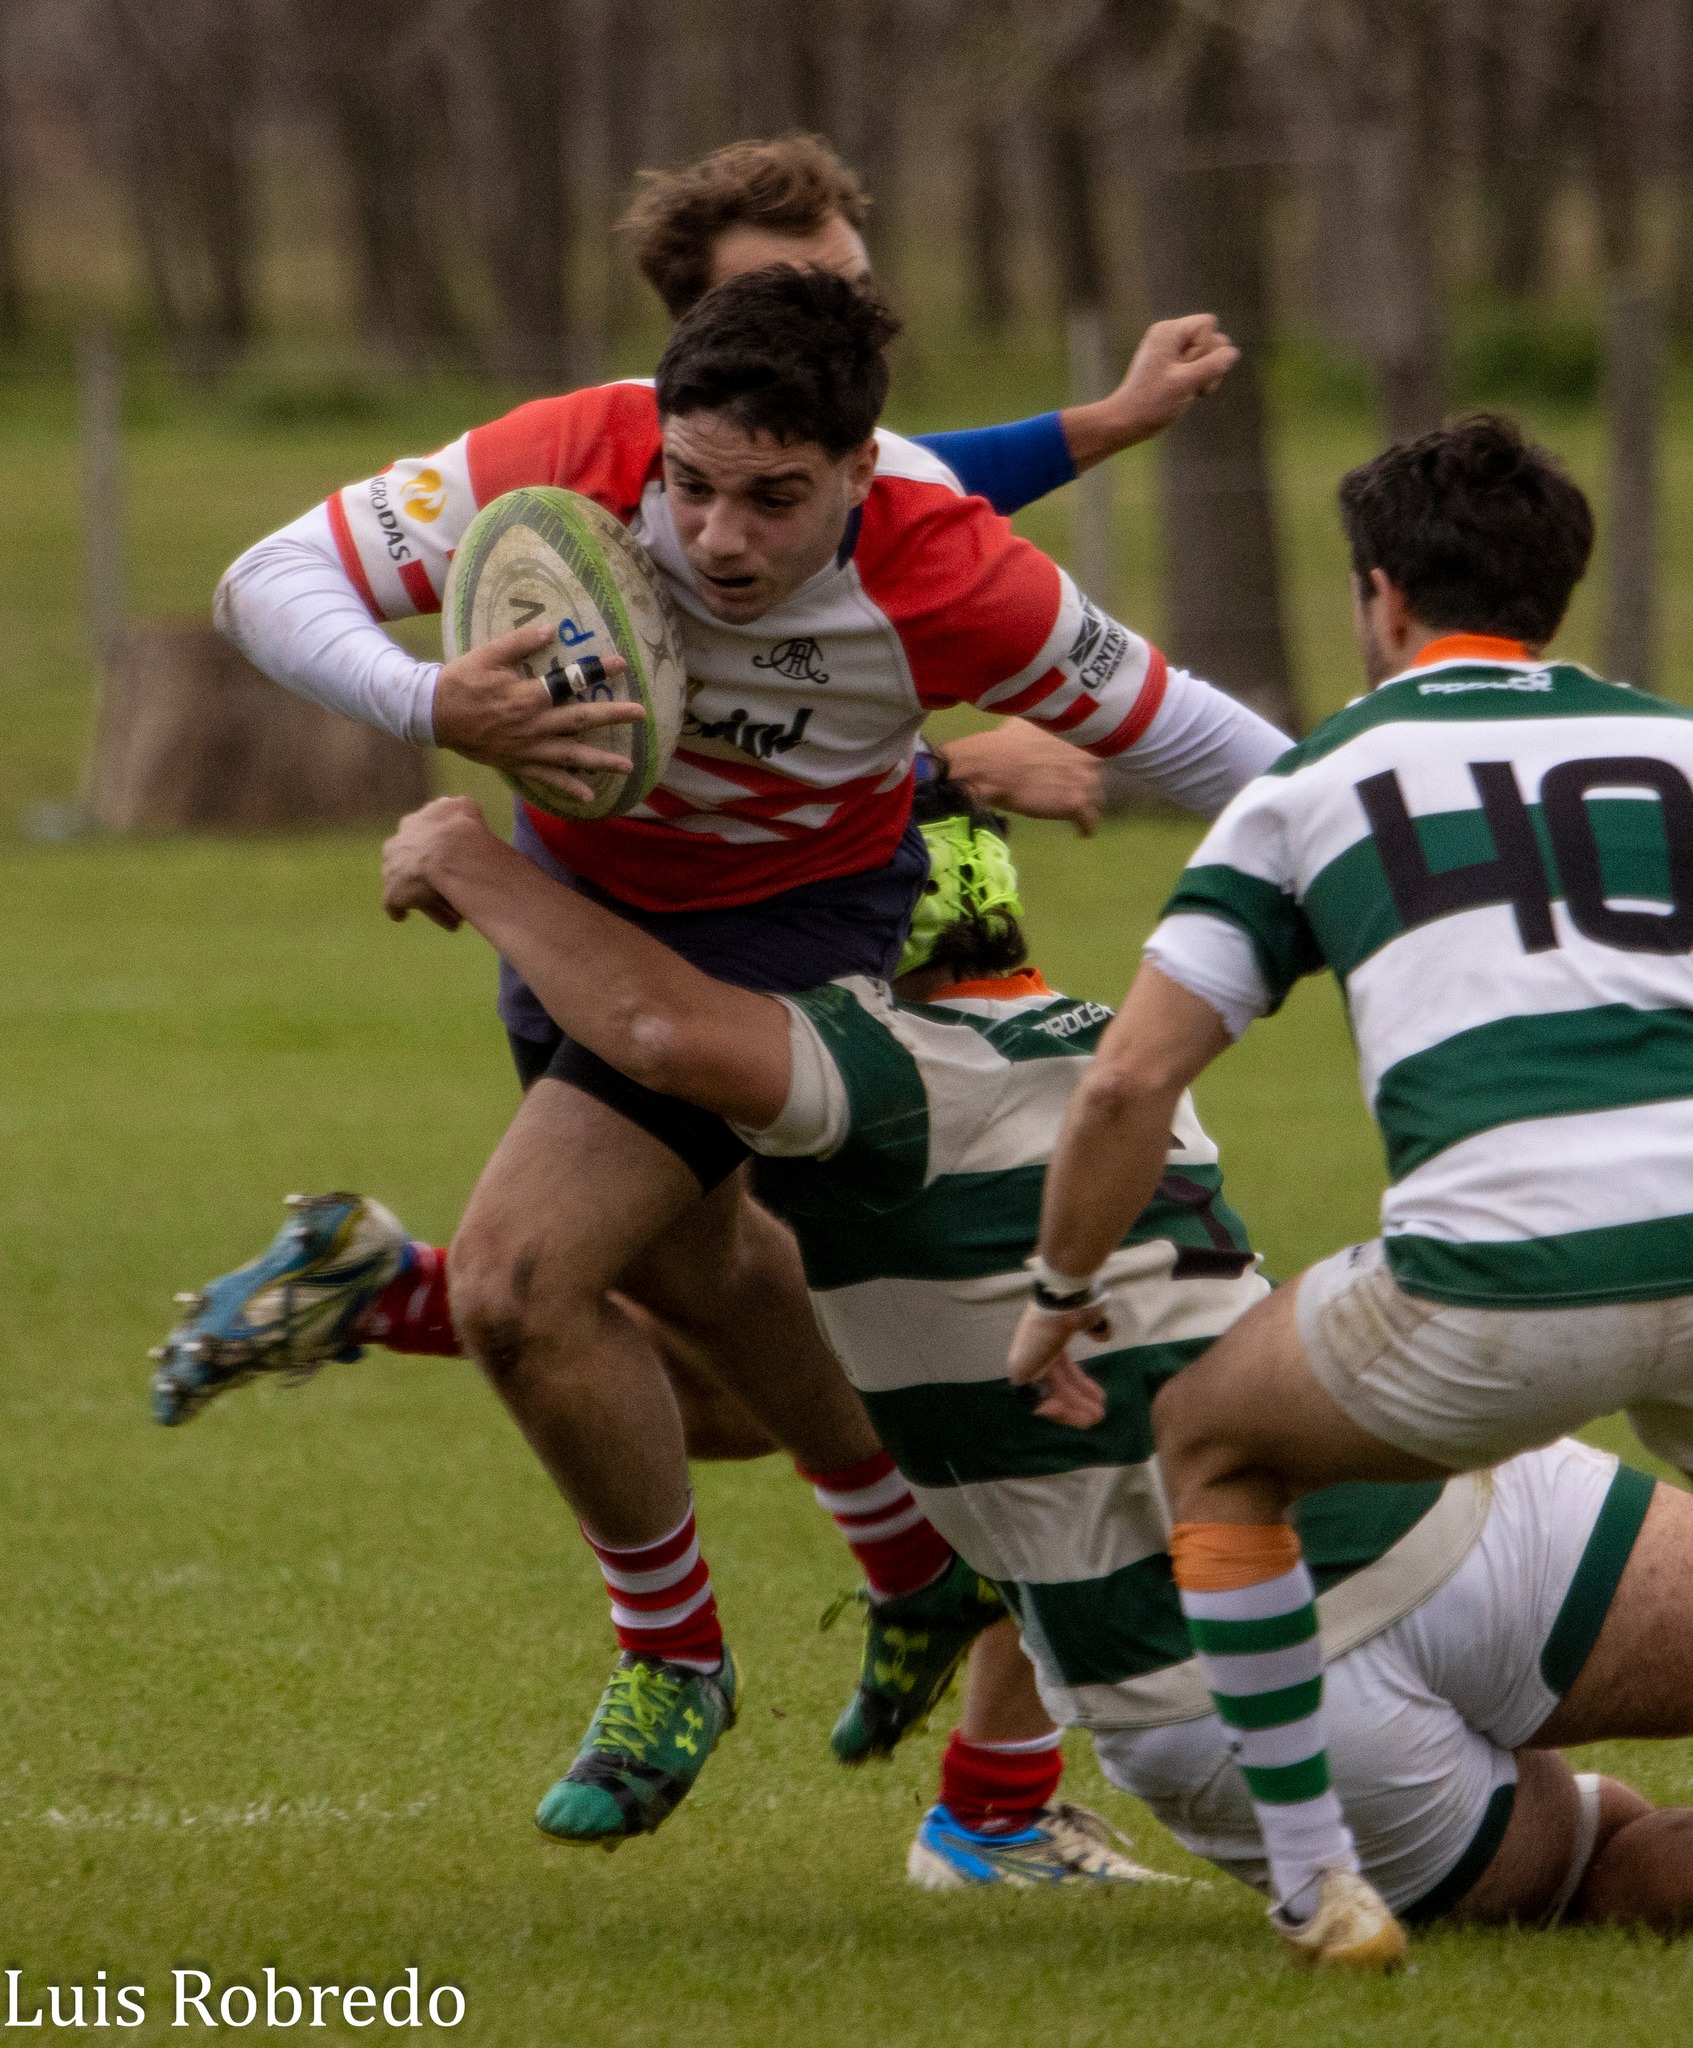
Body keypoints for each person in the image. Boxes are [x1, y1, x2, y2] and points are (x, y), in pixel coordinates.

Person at [201, 262, 1284, 1853]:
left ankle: (673, 1658)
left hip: (795, 927)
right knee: (704, 1270)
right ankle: (916, 1571)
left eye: (773, 502)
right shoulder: (569, 452)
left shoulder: (955, 574)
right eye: (693, 489)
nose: (716, 539)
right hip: (575, 902)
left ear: (861, 470)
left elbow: (1209, 742)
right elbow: (267, 577)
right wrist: (429, 693)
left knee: (519, 1282)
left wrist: (1401, 840)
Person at [377, 774, 1693, 1959]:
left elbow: (655, 1030)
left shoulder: (871, 1073)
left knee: (1597, 1871)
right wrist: (941, 760)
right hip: (1429, 1508)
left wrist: (474, 857)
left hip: (1208, 1680)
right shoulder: (1109, 1042)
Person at [1008, 410, 1693, 1960]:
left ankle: (1319, 1886)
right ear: (1555, 598)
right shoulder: (1680, 744)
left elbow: (1127, 1081)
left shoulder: (1315, 778)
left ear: (1378, 597)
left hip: (1492, 1291)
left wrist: (1055, 1299)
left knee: (1212, 1443)